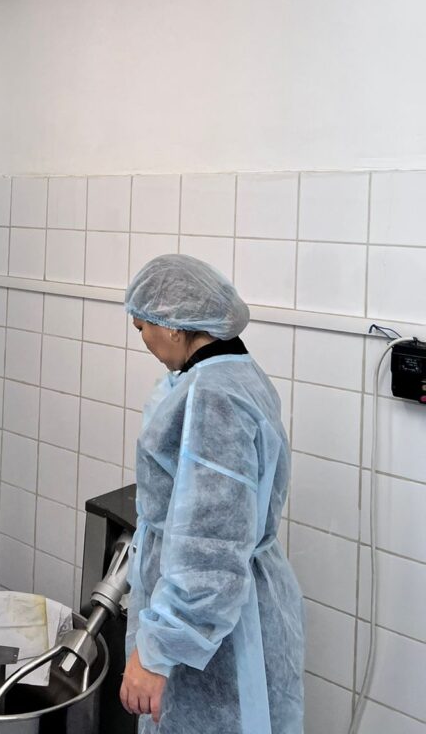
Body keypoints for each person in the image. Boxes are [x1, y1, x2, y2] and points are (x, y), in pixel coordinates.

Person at [120, 254, 304, 734]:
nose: (144, 341)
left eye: (143, 328)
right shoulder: (236, 373)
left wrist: (159, 647)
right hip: (229, 612)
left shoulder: (214, 396)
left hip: (212, 635)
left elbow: (212, 545)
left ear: (174, 325)